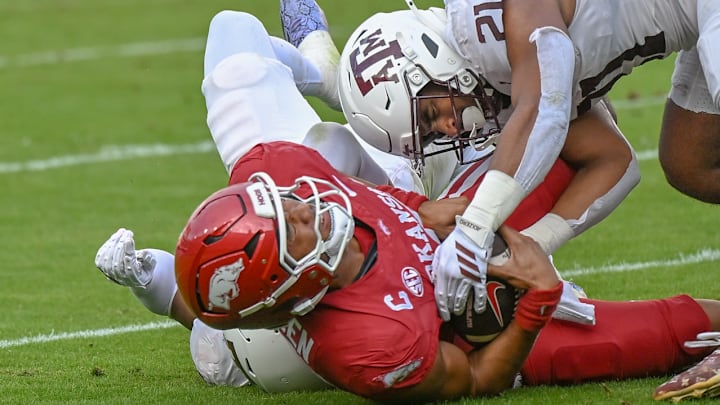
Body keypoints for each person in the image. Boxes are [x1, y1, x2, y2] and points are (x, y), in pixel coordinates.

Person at [94, 4, 720, 402]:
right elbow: (473, 377)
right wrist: (533, 304)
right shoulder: (374, 342)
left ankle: (162, 281)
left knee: (331, 146)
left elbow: (231, 36)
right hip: (457, 325)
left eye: (290, 203)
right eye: (300, 227)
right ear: (303, 280)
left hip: (425, 215)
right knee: (226, 349)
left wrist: (322, 75)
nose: (307, 205)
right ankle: (156, 282)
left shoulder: (282, 170)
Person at [335, 4, 639, 320]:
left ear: (429, 57)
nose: (449, 129)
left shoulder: (491, 45)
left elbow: (613, 157)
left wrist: (497, 243)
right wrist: (523, 252)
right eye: (430, 133)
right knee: (681, 164)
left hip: (690, 16)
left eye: (430, 114)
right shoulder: (489, 75)